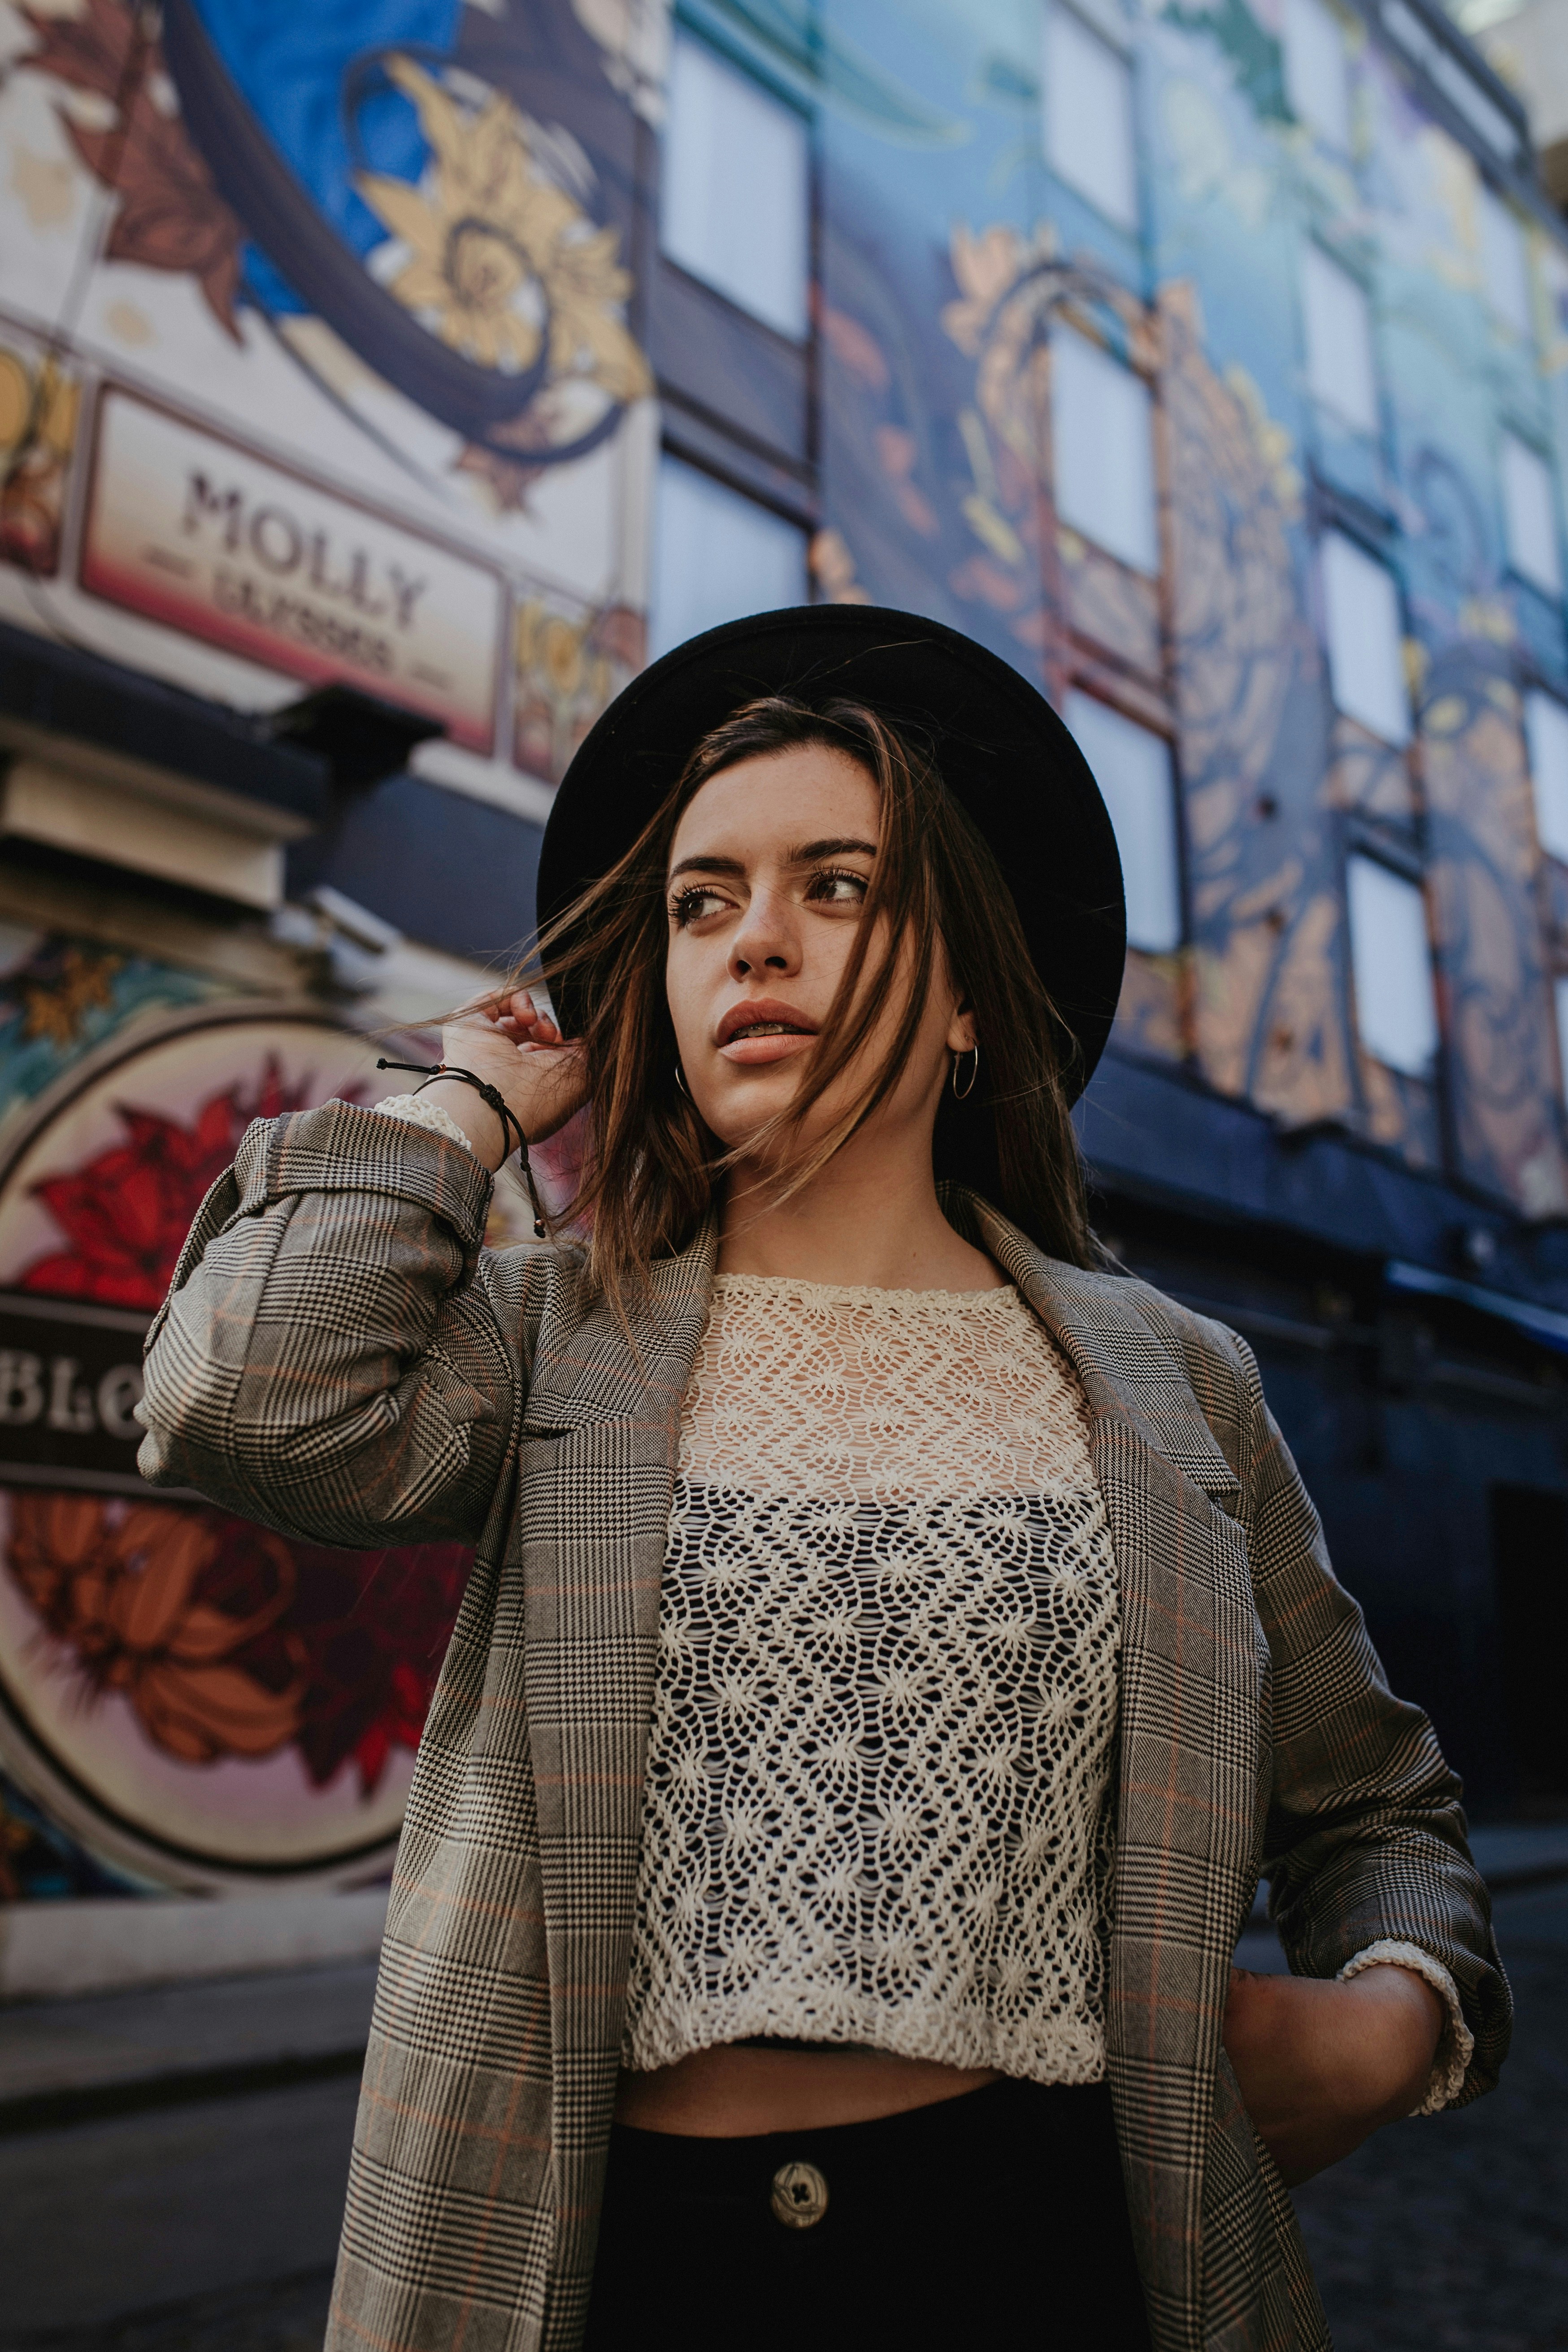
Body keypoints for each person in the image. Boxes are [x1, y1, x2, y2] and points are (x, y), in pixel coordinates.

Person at [137, 608, 1507, 2352]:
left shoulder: (1176, 1382)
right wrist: (467, 1104)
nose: (749, 940)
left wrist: (1391, 2017)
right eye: (698, 904)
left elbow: (1373, 1806)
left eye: (831, 886)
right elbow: (241, 1400)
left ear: (955, 996)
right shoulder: (560, 1327)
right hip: (612, 2271)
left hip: (1052, 2252)